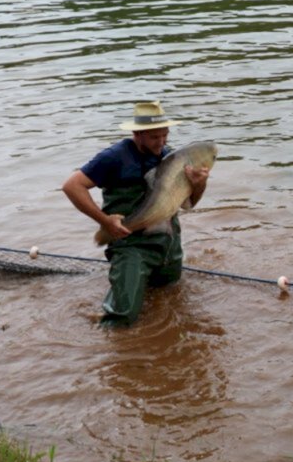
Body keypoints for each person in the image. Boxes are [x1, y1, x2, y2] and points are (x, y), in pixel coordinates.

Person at [63, 101, 210, 326]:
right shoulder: (113, 157)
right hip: (129, 243)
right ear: (137, 134)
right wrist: (105, 221)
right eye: (154, 137)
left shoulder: (170, 158)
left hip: (168, 241)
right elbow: (72, 186)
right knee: (122, 318)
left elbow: (188, 204)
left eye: (165, 135)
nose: (161, 142)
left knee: (170, 295)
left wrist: (199, 184)